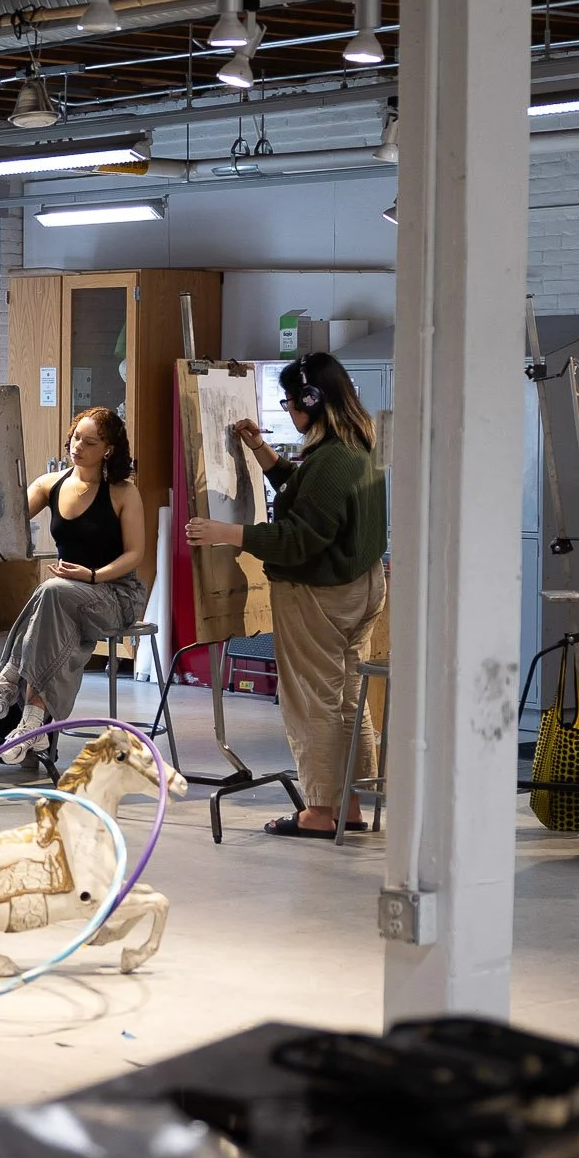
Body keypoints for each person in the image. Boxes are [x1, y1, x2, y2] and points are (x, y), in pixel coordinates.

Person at [185, 354, 387, 837]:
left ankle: (318, 811)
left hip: (320, 592)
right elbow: (309, 496)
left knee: (312, 700)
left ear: (310, 402)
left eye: (289, 402)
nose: (289, 411)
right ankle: (350, 804)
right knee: (346, 700)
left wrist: (228, 532)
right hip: (361, 587)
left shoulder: (332, 460)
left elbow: (299, 538)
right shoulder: (354, 449)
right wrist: (262, 453)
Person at [0, 408, 151, 759]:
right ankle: (34, 721)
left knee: (51, 590)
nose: (78, 447)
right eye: (76, 439)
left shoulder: (123, 492)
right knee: (56, 606)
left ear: (109, 449)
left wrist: (92, 575)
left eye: (90, 442)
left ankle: (9, 678)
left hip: (116, 595)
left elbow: (135, 554)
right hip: (68, 599)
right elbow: (6, 525)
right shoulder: (49, 484)